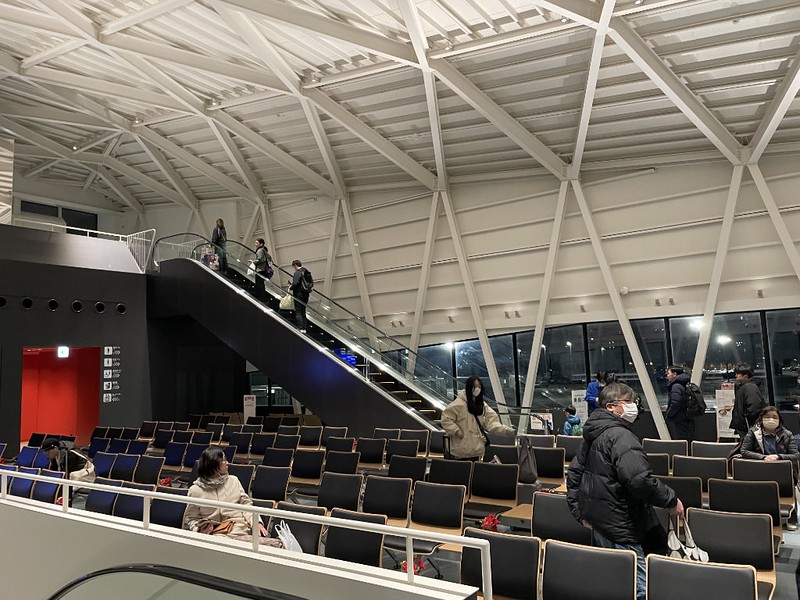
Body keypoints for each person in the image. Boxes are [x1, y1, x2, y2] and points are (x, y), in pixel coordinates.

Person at [567, 383, 684, 600]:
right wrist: (670, 500)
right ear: (611, 407)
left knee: (611, 583)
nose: (634, 407)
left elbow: (573, 476)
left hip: (599, 523)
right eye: (628, 402)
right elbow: (639, 480)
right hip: (622, 525)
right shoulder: (621, 436)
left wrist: (580, 513)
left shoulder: (593, 434)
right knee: (640, 589)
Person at [185, 447, 280, 545]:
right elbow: (192, 519)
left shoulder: (233, 480)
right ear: (213, 464)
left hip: (238, 528)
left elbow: (246, 505)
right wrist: (199, 530)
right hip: (214, 533)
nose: (227, 462)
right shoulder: (195, 490)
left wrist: (256, 522)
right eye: (223, 460)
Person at [741, 406, 799, 530]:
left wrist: (778, 457)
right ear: (761, 419)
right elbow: (744, 451)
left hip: (782, 471)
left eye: (774, 417)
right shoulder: (753, 432)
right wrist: (762, 457)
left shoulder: (787, 434)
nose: (771, 420)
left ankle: (791, 518)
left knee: (790, 490)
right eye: (767, 417)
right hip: (760, 470)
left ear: (779, 420)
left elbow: (795, 455)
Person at [440, 375, 514, 461]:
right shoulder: (458, 404)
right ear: (469, 387)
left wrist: (507, 431)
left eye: (479, 386)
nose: (477, 389)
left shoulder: (482, 405)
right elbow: (446, 419)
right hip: (461, 449)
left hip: (476, 449)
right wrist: (456, 431)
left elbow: (492, 423)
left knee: (474, 471)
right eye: (475, 386)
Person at [730, 363, 767, 439]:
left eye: (738, 373)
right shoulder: (746, 386)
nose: (735, 375)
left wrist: (749, 421)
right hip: (745, 426)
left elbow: (754, 407)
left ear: (746, 375)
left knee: (748, 446)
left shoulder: (749, 387)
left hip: (747, 426)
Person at [665, 366, 694, 443]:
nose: (667, 375)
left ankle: (682, 454)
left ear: (674, 374)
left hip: (679, 418)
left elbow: (675, 403)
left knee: (681, 441)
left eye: (668, 373)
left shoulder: (676, 386)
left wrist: (669, 413)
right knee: (685, 439)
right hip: (685, 417)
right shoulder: (683, 384)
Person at [289, 259, 310, 333]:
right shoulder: (306, 271)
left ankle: (300, 327)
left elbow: (295, 283)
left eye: (293, 267)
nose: (293, 268)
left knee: (298, 311)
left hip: (299, 294)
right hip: (306, 294)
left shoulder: (297, 272)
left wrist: (291, 287)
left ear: (295, 265)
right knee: (303, 311)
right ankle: (304, 328)